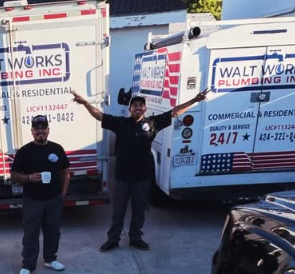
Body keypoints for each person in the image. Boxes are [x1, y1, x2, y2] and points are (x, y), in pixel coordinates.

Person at [72, 88, 208, 251]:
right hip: (122, 177)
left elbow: (174, 112)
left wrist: (194, 100)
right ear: (130, 109)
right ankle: (113, 239)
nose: (137, 108)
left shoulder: (152, 124)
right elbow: (99, 115)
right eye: (134, 105)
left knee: (139, 211)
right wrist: (86, 103)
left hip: (142, 178)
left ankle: (135, 237)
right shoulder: (120, 123)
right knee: (118, 211)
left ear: (145, 109)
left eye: (140, 106)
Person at [10, 115, 70, 274]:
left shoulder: (57, 149)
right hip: (32, 200)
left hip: (53, 199)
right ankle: (28, 265)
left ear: (48, 130)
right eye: (37, 128)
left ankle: (50, 259)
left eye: (43, 128)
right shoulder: (24, 151)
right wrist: (29, 178)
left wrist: (62, 194)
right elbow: (14, 175)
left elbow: (66, 172)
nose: (40, 131)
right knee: (31, 234)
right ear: (32, 131)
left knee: (53, 231)